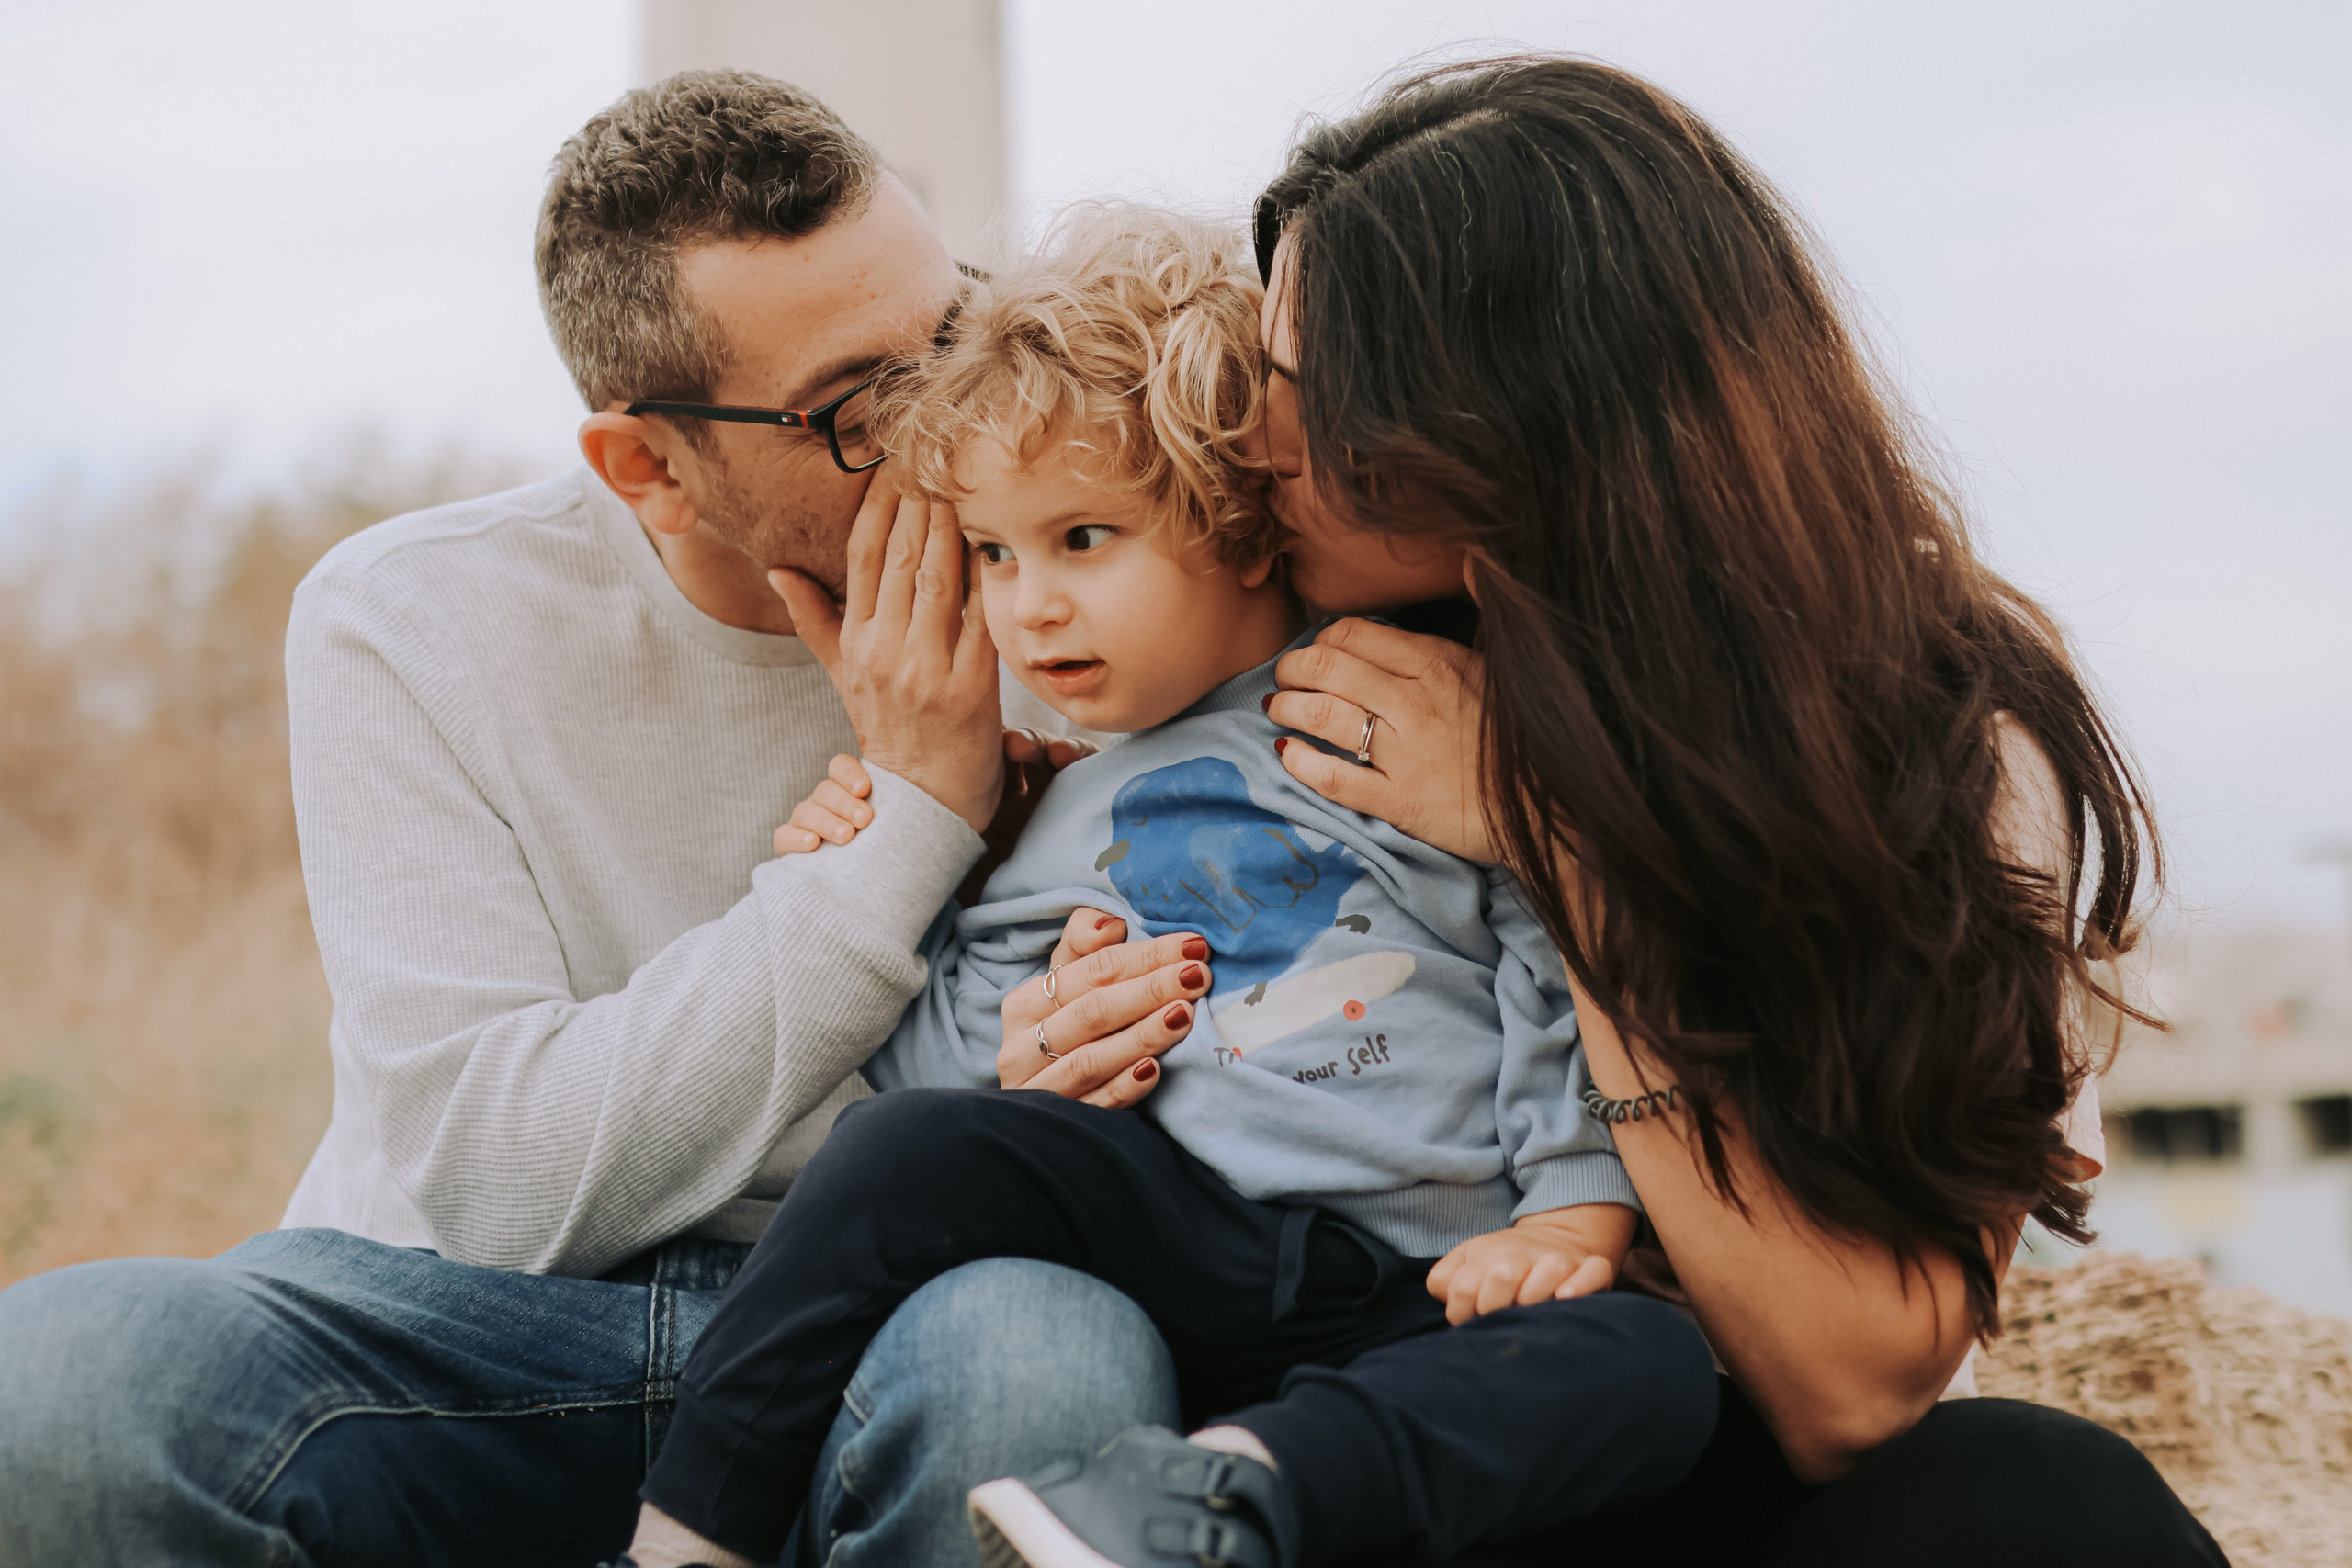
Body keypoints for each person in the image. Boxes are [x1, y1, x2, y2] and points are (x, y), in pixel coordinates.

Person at [0, 71, 1206, 1568]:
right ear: (650, 468)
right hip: (474, 1329)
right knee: (59, 1382)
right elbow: (498, 1183)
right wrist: (913, 818)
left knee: (1047, 1368)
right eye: (860, 407)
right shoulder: (411, 617)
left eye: (953, 337)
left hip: (901, 1315)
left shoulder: (1091, 592)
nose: (950, 423)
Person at [1235, 54, 2228, 1567]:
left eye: (1312, 396)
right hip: (1394, 1438)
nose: (1254, 440)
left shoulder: (1936, 734)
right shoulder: (1296, 669)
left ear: (1516, 427)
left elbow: (1852, 1391)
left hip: (1743, 1475)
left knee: (2043, 1497)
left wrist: (1555, 840)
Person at [616, 205, 1716, 1568]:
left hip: (1427, 1284)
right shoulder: (1053, 805)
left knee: (1649, 1366)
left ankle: (1213, 1492)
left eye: (1085, 537)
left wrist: (1570, 1206)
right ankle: (681, 1541)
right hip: (1186, 1243)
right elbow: (949, 1078)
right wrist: (896, 867)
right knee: (894, 1152)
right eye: (997, 553)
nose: (1031, 606)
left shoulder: (1395, 708)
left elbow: (1547, 951)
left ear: (1242, 528)